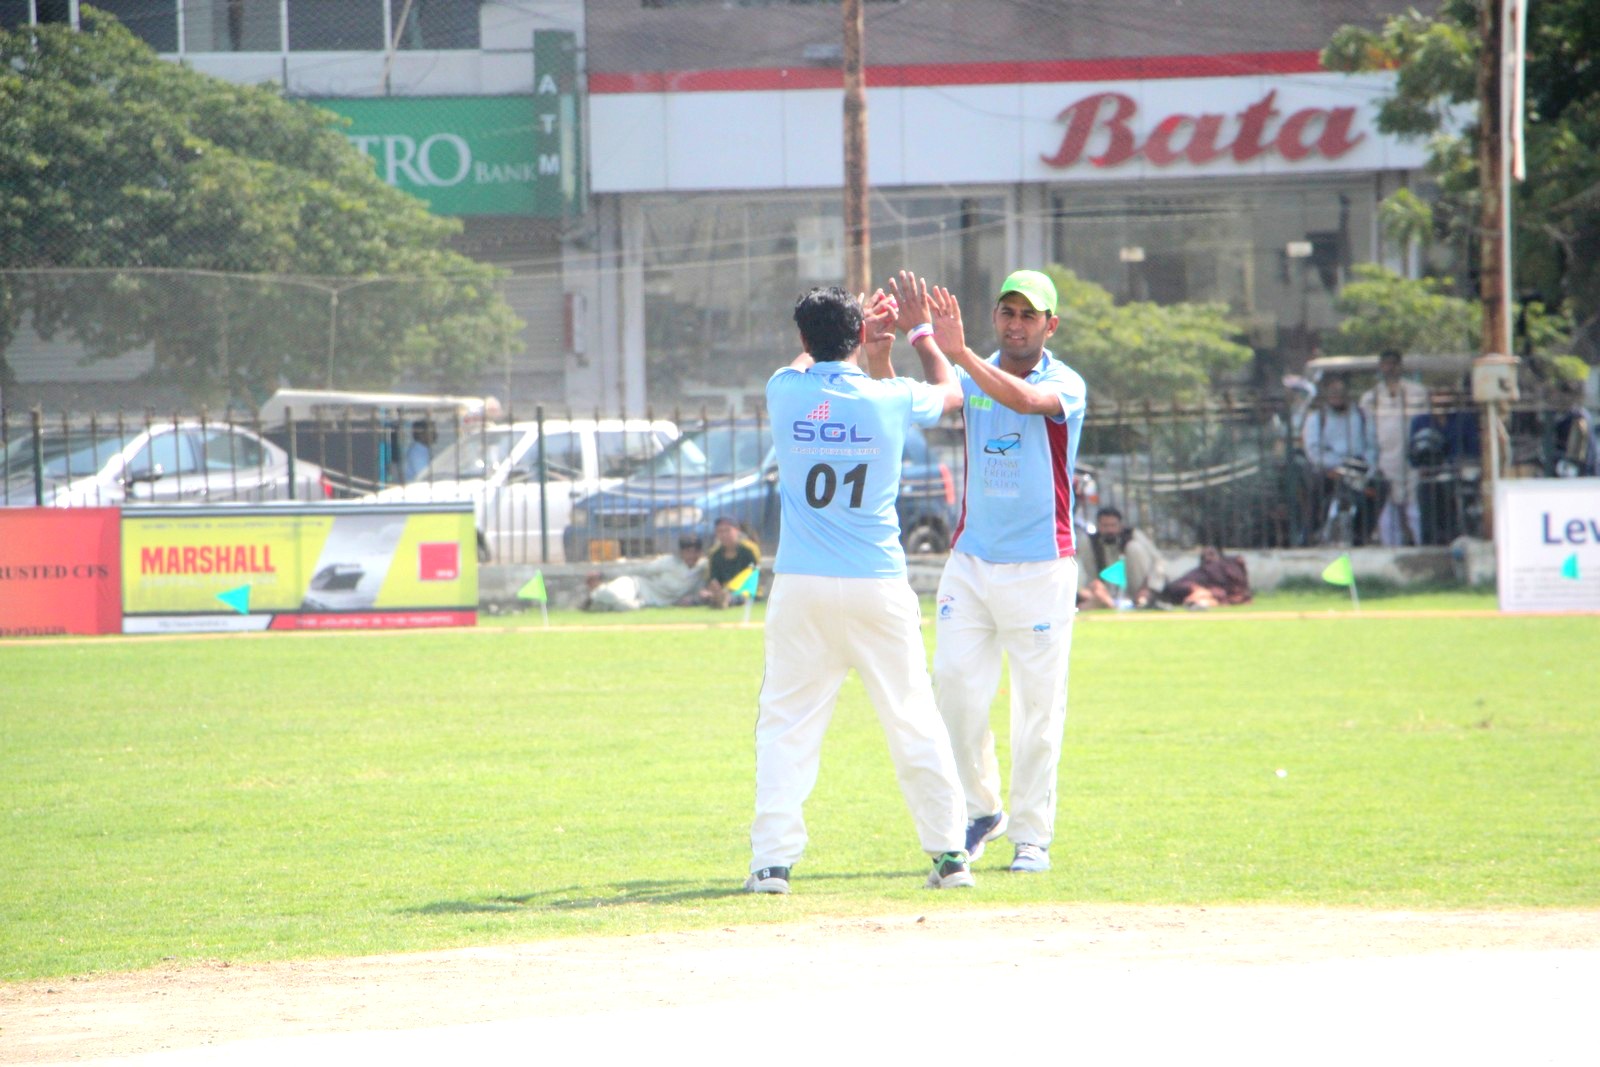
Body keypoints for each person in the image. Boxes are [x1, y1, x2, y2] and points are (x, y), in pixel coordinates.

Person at [746, 284, 972, 895]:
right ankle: (950, 854)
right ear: (858, 337)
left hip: (802, 586)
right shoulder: (891, 397)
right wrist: (918, 337)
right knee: (913, 718)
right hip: (877, 583)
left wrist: (843, 336)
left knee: (786, 725)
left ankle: (772, 864)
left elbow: (804, 362)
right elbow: (952, 391)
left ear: (802, 337)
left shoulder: (784, 389)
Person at [891, 268, 1087, 876]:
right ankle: (982, 811)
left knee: (1037, 713)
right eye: (1008, 312)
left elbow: (1024, 401)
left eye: (1029, 315)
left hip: (1042, 567)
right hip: (971, 563)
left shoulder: (1065, 383)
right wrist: (919, 336)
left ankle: (1032, 836)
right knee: (954, 692)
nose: (1017, 324)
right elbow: (936, 391)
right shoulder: (971, 371)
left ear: (1051, 325)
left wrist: (961, 354)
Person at [1359, 349, 1428, 545]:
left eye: (1394, 364)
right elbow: (1368, 433)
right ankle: (1392, 548)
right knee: (1388, 508)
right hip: (1385, 459)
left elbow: (1425, 424)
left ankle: (1420, 546)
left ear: (1400, 366)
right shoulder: (1370, 397)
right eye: (1386, 364)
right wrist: (1372, 462)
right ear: (1381, 367)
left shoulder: (1417, 392)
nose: (1390, 368)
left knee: (1413, 506)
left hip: (1412, 458)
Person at [1302, 373, 1377, 545]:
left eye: (1341, 391)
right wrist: (1336, 465)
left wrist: (1368, 469)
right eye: (1333, 392)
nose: (1337, 395)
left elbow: (1372, 446)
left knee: (1379, 490)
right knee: (1318, 492)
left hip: (1358, 470)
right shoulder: (1317, 418)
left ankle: (1361, 537)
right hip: (1330, 470)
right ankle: (1310, 536)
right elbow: (1314, 451)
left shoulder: (1362, 416)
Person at [584, 535, 707, 612]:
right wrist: (603, 574)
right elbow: (639, 570)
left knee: (626, 607)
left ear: (700, 552)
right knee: (611, 594)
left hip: (644, 602)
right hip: (635, 585)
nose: (692, 556)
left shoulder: (702, 568)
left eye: (695, 552)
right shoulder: (669, 562)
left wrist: (693, 600)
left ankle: (597, 601)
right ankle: (596, 595)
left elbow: (703, 590)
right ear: (681, 552)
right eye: (688, 552)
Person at [1079, 506, 1167, 609]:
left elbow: (1157, 561)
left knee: (1134, 547)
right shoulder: (1089, 542)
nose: (1110, 530)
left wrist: (1149, 588)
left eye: (1113, 525)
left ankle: (1141, 600)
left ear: (1120, 525)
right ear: (1098, 526)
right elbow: (1088, 573)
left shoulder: (1133, 535)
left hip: (1137, 588)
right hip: (1104, 591)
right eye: (1105, 526)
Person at [1159, 545, 1253, 609]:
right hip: (1180, 590)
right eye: (1206, 556)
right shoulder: (1203, 572)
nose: (1208, 558)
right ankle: (1195, 601)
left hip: (1199, 592)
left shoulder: (1225, 569)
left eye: (1211, 554)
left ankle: (1198, 602)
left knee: (1215, 595)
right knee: (1210, 593)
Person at [701, 516, 761, 609]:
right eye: (720, 531)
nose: (724, 535)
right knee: (703, 595)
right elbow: (714, 578)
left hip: (746, 589)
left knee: (739, 596)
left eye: (727, 530)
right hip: (724, 591)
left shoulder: (749, 549)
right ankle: (720, 599)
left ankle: (725, 600)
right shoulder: (714, 554)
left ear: (737, 530)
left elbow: (753, 573)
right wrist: (715, 589)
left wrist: (731, 589)